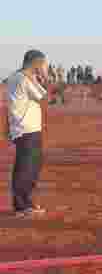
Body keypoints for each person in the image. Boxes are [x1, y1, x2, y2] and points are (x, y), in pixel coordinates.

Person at [6, 50, 50, 218]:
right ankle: (22, 206)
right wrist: (43, 76)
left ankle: (24, 202)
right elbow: (43, 95)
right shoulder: (24, 79)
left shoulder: (14, 77)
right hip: (27, 128)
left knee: (29, 165)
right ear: (36, 64)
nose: (44, 67)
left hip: (22, 127)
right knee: (27, 167)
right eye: (43, 64)